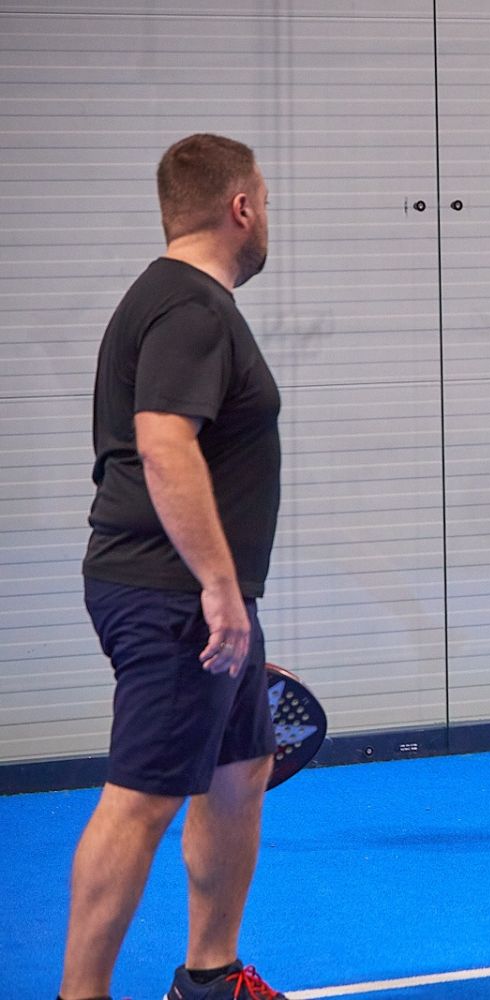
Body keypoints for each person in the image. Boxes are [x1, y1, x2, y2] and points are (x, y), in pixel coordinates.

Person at [60, 134, 288, 999]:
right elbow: (163, 446)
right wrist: (218, 589)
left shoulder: (180, 302)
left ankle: (210, 977)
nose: (268, 217)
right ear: (241, 208)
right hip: (175, 594)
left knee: (239, 771)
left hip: (200, 594)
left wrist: (228, 594)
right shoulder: (190, 308)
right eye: (265, 201)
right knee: (142, 797)